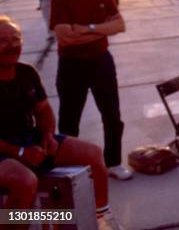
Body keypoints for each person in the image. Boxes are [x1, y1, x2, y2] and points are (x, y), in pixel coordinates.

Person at [0, 16, 123, 230]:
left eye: (16, 38)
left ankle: (100, 218)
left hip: (29, 139)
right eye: (2, 40)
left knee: (93, 155)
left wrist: (47, 135)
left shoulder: (26, 72)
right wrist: (20, 152)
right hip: (4, 148)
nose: (11, 45)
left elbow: (44, 110)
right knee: (26, 182)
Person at [49, 0, 132, 181]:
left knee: (112, 115)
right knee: (69, 119)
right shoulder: (60, 0)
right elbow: (66, 36)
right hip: (72, 65)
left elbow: (120, 25)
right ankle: (70, 169)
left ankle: (113, 163)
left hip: (101, 63)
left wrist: (87, 29)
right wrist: (103, 31)